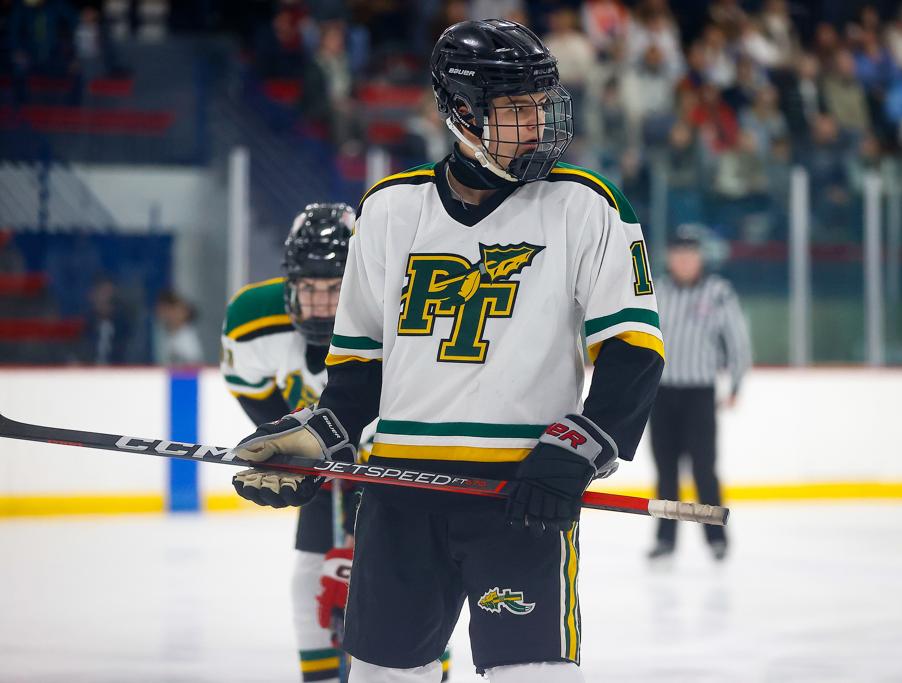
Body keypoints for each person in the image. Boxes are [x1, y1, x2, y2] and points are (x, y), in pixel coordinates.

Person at [229, 19, 664, 683]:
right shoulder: (389, 209)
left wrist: (578, 448)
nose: (538, 125)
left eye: (542, 105)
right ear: (461, 113)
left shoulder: (586, 205)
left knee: (535, 676)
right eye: (515, 109)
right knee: (380, 677)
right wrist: (315, 438)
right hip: (398, 495)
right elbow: (358, 368)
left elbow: (634, 349)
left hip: (519, 495)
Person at [221, 204, 366, 683]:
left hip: (393, 464)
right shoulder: (251, 320)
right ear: (290, 285)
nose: (321, 305)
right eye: (309, 289)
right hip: (318, 459)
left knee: (406, 577)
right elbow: (253, 393)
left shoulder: (400, 312)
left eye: (334, 289)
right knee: (309, 573)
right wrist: (287, 448)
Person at [648, 232, 751, 562]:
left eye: (690, 254)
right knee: (666, 472)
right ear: (669, 257)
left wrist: (736, 385)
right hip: (661, 395)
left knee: (704, 470)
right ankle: (665, 539)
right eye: (678, 253)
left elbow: (737, 340)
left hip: (699, 396)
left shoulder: (718, 292)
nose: (684, 260)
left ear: (700, 258)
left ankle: (716, 538)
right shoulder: (656, 290)